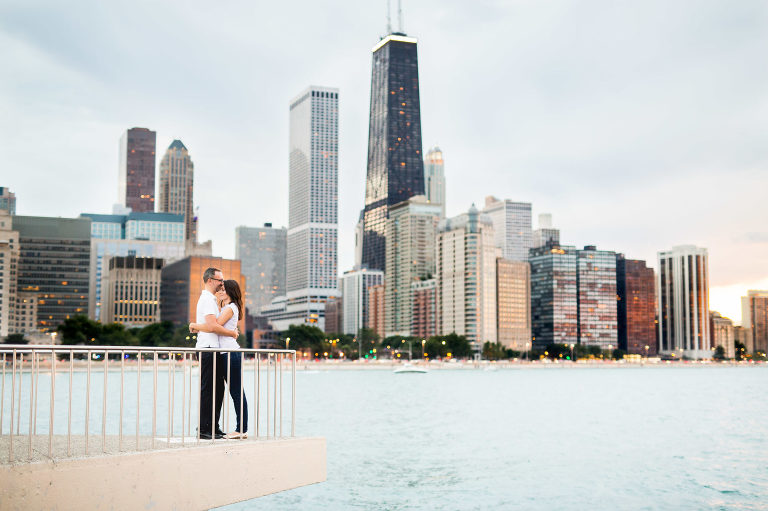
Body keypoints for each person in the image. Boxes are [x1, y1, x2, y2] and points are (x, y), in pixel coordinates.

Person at [190, 279, 248, 439]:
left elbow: (213, 326)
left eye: (223, 290)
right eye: (220, 289)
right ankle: (225, 427)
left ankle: (241, 429)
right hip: (224, 354)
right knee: (228, 390)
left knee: (236, 391)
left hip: (230, 353)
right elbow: (215, 327)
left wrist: (195, 326)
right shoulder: (226, 307)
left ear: (230, 292)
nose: (220, 292)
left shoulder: (230, 308)